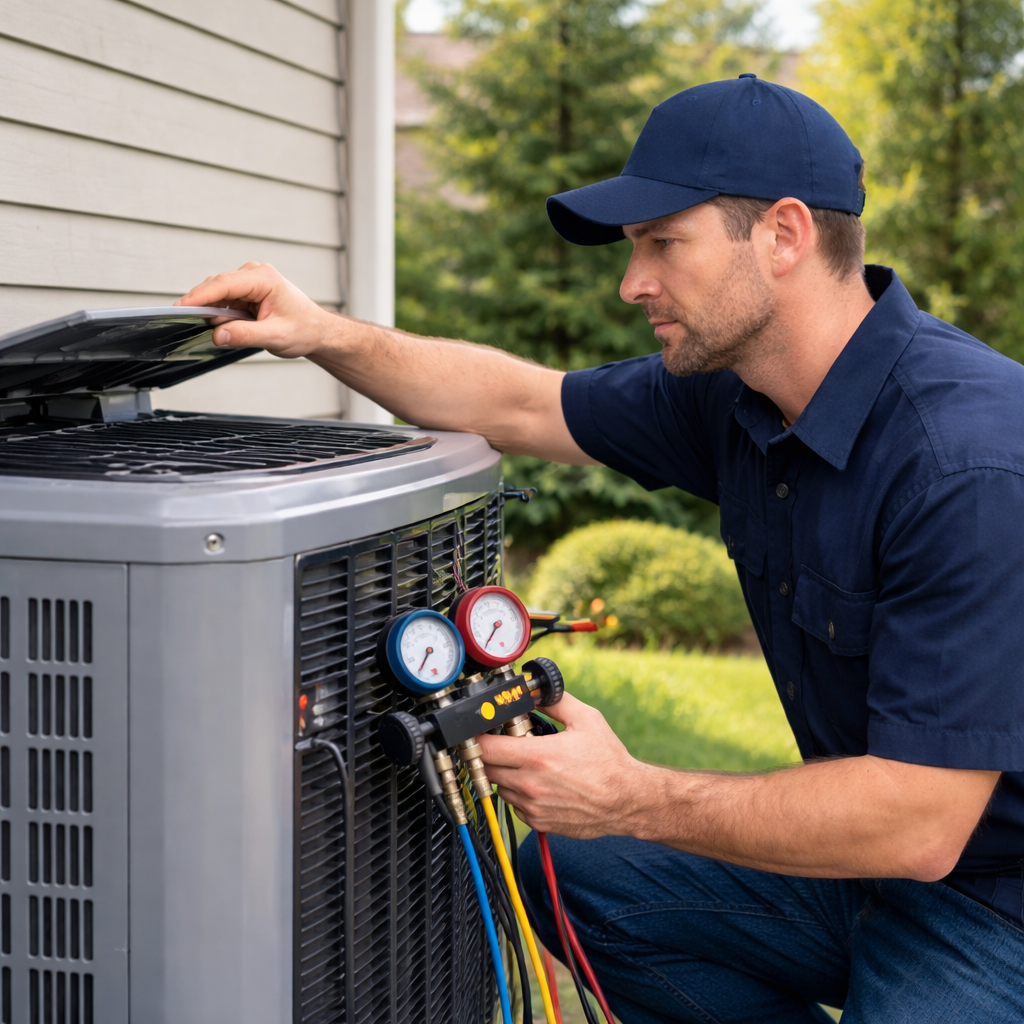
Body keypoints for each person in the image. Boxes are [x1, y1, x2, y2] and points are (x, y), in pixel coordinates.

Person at [178, 75, 1024, 1023]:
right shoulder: (739, 395)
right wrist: (322, 333)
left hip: (994, 900)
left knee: (628, 833)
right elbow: (518, 401)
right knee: (568, 870)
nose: (633, 285)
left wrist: (632, 796)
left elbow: (920, 823)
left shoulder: (968, 464)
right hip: (866, 868)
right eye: (633, 251)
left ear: (784, 236)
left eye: (664, 244)